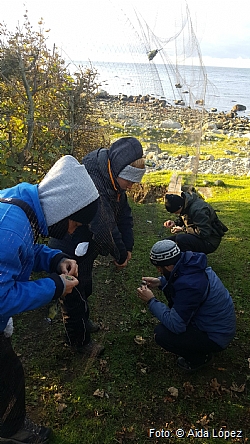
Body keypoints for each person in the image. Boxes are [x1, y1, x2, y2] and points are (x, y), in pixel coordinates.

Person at [0, 155, 99, 443]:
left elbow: (25, 251)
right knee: (9, 373)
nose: (71, 231)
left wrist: (56, 259)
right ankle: (11, 430)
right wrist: (56, 286)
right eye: (73, 224)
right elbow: (2, 298)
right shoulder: (9, 229)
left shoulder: (19, 203)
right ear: (62, 208)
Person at [48, 137, 146, 353]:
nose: (130, 187)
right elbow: (105, 228)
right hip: (69, 241)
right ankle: (79, 342)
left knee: (86, 285)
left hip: (85, 244)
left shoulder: (114, 181)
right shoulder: (96, 185)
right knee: (73, 293)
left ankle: (84, 321)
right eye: (128, 181)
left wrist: (127, 245)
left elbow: (124, 216)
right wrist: (120, 256)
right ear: (118, 170)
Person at [137, 239, 236, 372]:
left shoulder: (190, 286)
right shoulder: (190, 263)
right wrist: (160, 282)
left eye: (159, 268)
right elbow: (178, 276)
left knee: (161, 334)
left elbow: (176, 325)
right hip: (217, 326)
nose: (159, 271)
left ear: (168, 266)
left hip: (216, 336)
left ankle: (199, 358)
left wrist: (151, 301)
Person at [163, 191, 228, 254]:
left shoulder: (198, 211)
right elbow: (185, 216)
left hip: (210, 241)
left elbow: (204, 233)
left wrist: (183, 229)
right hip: (201, 236)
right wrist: (175, 223)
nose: (176, 214)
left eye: (176, 212)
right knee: (167, 242)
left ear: (180, 206)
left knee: (181, 239)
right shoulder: (186, 203)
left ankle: (190, 260)